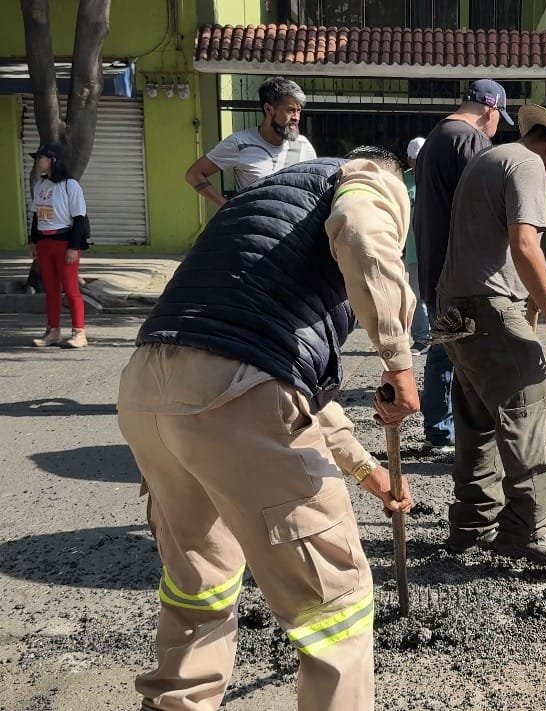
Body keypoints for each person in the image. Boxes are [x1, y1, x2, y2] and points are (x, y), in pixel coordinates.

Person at [118, 147, 417, 711]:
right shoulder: (365, 177)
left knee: (199, 585)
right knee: (336, 606)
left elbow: (289, 388)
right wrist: (397, 357)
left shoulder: (263, 203)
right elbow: (360, 231)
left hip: (148, 389)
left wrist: (368, 471)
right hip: (234, 392)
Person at [435, 104, 546, 568]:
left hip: (456, 305)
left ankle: (471, 524)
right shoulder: (528, 164)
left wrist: (532, 307)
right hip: (488, 305)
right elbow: (524, 244)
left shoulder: (492, 156)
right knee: (537, 409)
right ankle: (527, 528)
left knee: (478, 418)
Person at [413, 78, 508, 453]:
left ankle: (439, 430)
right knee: (468, 352)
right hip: (461, 271)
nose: (497, 129)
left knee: (444, 348)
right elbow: (483, 205)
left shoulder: (437, 136)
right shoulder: (470, 140)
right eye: (500, 119)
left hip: (436, 265)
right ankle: (457, 431)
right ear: (490, 110)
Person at [184, 76, 317, 207]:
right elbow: (194, 174)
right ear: (268, 109)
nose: (296, 117)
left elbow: (314, 187)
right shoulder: (239, 143)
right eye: (290, 110)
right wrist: (227, 208)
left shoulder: (303, 145)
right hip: (253, 221)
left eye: (298, 110)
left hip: (295, 221)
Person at [26, 142, 90, 349]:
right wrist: (33, 241)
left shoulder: (70, 185)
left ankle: (79, 333)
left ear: (53, 160)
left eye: (41, 158)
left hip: (64, 242)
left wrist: (73, 247)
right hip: (45, 243)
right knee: (51, 290)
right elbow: (36, 216)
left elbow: (79, 219)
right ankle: (52, 331)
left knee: (71, 289)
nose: (38, 162)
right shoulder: (41, 185)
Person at [403, 136, 430, 354]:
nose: (418, 164)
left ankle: (439, 337)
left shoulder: (436, 177)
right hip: (412, 248)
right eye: (414, 160)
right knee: (417, 294)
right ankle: (421, 338)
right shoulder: (403, 180)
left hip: (435, 245)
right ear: (409, 159)